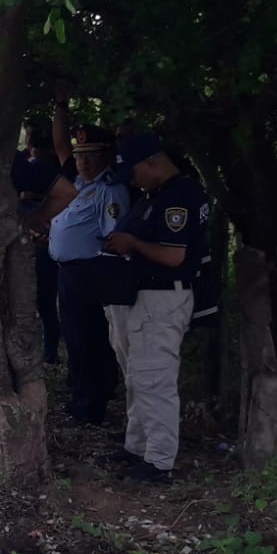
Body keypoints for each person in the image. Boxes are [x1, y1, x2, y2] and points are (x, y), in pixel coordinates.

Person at [102, 134, 211, 483]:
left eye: (133, 175)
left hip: (162, 299)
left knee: (154, 378)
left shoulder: (180, 195)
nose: (132, 184)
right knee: (139, 375)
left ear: (150, 163)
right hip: (144, 297)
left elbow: (173, 255)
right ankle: (138, 447)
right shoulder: (157, 195)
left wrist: (132, 243)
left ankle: (160, 461)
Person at [49, 124, 131, 427]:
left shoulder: (110, 190)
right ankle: (80, 395)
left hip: (91, 272)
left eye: (90, 156)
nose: (83, 162)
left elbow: (114, 237)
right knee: (74, 337)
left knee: (90, 338)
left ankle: (92, 402)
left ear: (106, 156)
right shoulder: (78, 187)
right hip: (68, 272)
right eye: (80, 156)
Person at [12, 118, 68, 365]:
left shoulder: (43, 166)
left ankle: (49, 351)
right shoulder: (26, 161)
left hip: (43, 242)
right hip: (33, 237)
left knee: (43, 302)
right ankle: (44, 351)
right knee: (37, 303)